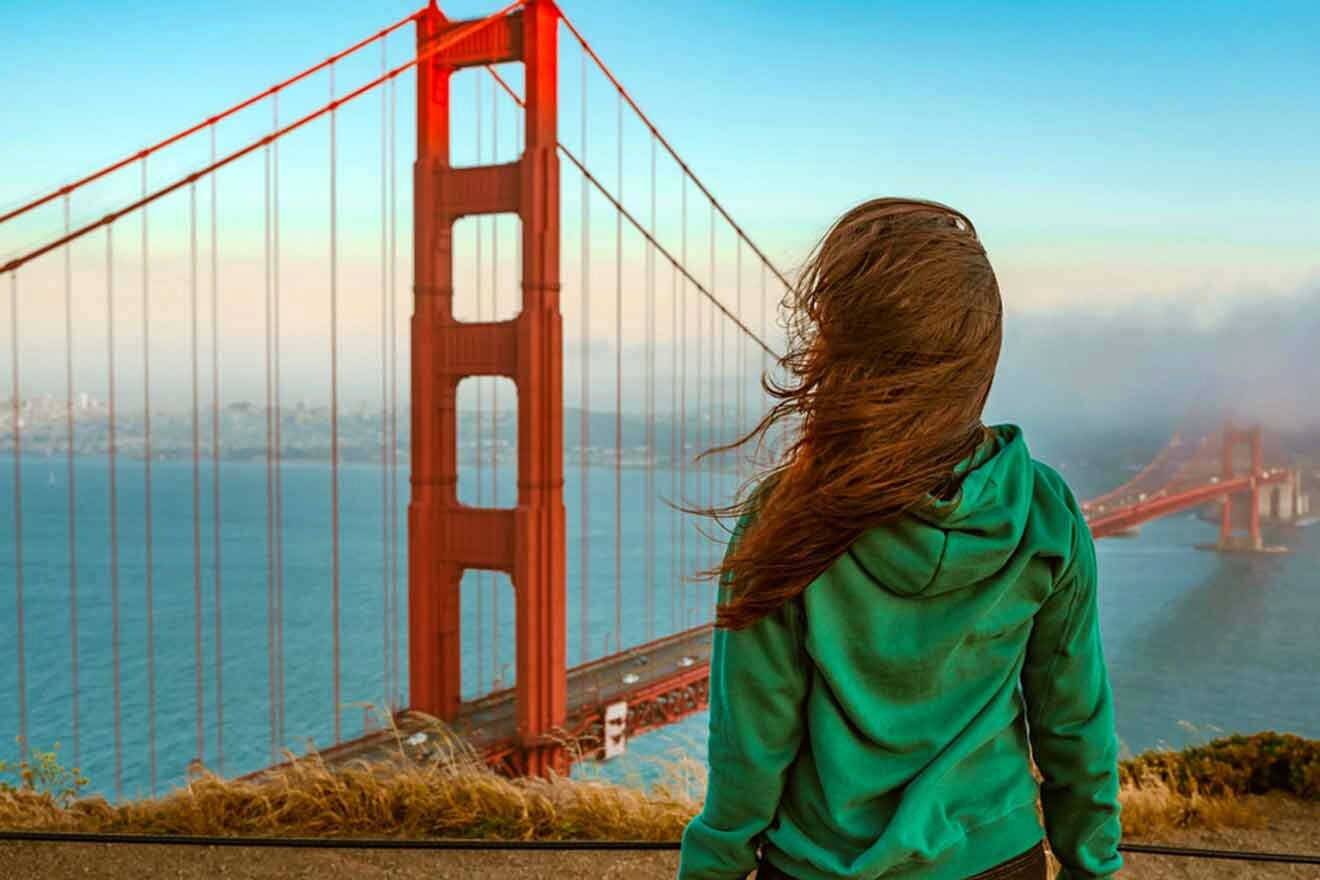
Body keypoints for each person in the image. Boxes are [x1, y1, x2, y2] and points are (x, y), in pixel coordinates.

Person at [677, 199, 1122, 879]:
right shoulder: (1043, 510)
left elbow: (750, 748)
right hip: (996, 863)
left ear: (842, 347)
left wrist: (712, 868)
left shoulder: (787, 515)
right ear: (980, 359)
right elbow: (1073, 726)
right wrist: (1093, 864)